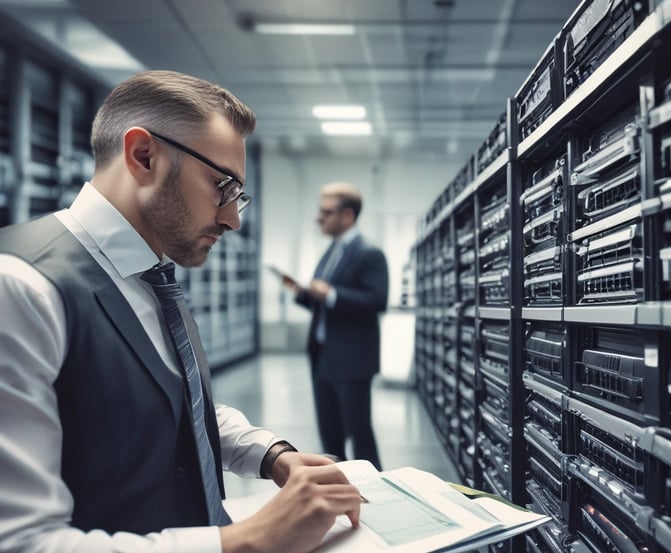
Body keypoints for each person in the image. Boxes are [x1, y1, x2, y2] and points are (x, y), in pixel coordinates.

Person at [0, 70, 362, 553]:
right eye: (222, 185)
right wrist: (250, 540)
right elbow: (23, 543)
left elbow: (171, 402)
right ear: (143, 156)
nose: (233, 218)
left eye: (238, 195)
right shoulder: (20, 288)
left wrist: (271, 455)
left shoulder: (152, 274)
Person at [283, 182, 389, 470]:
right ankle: (337, 496)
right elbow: (325, 305)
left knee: (360, 436)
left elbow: (378, 300)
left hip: (352, 361)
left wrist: (330, 294)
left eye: (326, 212)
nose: (319, 217)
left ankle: (379, 495)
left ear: (347, 216)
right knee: (330, 438)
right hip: (322, 358)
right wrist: (303, 294)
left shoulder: (369, 254)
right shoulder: (331, 252)